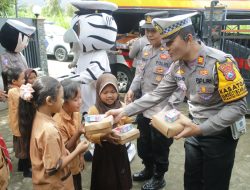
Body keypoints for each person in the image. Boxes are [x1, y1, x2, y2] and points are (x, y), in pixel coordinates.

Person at [106, 12, 248, 190]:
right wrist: (123, 111)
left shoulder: (220, 63)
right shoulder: (177, 67)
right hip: (193, 129)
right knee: (191, 182)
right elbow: (156, 95)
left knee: (214, 184)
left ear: (188, 38)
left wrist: (200, 129)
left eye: (170, 43)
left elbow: (239, 106)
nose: (165, 48)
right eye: (164, 43)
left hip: (220, 136)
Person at [125, 11, 174, 190]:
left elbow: (179, 85)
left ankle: (159, 177)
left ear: (164, 30)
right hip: (144, 106)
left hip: (162, 110)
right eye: (147, 30)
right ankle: (148, 169)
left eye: (154, 30)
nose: (149, 34)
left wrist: (170, 109)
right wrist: (131, 90)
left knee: (160, 146)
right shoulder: (145, 49)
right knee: (144, 142)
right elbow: (139, 74)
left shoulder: (171, 51)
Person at [18, 76, 89, 189]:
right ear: (49, 101)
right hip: (55, 185)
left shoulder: (38, 117)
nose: (63, 102)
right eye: (61, 98)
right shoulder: (49, 131)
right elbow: (53, 168)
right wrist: (78, 150)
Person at [86, 73, 132, 190]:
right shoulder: (94, 110)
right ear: (98, 93)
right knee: (105, 179)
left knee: (121, 177)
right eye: (105, 92)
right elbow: (89, 134)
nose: (110, 95)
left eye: (113, 91)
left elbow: (128, 122)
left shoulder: (122, 106)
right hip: (103, 151)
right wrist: (104, 136)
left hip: (120, 148)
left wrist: (127, 131)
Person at [53, 79, 85, 190]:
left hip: (76, 161)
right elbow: (66, 147)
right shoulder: (58, 122)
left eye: (80, 97)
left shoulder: (77, 114)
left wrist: (81, 156)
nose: (80, 102)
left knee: (78, 184)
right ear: (63, 102)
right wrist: (79, 132)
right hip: (66, 166)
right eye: (75, 99)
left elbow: (78, 142)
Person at [6, 67, 32, 177]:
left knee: (23, 146)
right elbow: (23, 98)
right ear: (14, 81)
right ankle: (26, 171)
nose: (24, 81)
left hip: (21, 124)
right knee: (24, 147)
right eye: (22, 79)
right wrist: (29, 92)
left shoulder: (19, 88)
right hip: (19, 125)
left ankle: (21, 167)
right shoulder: (13, 91)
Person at [0, 19, 35, 91]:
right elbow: (6, 71)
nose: (25, 46)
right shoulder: (5, 57)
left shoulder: (20, 54)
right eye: (25, 41)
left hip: (24, 85)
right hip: (15, 87)